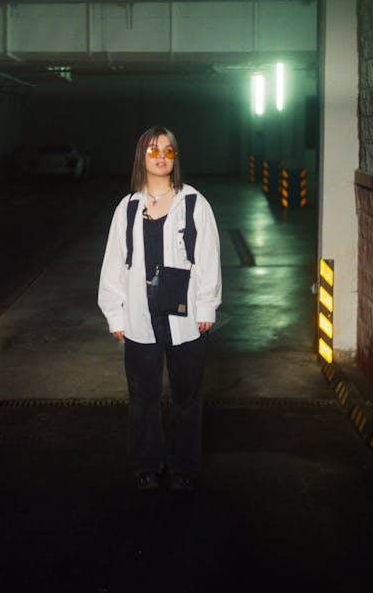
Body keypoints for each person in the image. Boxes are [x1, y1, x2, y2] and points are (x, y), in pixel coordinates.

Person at [98, 125, 222, 491]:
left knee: (187, 396)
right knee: (143, 397)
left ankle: (184, 466)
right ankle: (147, 464)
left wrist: (206, 308)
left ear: (175, 158)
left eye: (168, 150)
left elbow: (209, 259)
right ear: (142, 157)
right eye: (153, 150)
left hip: (185, 318)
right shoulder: (128, 208)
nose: (162, 156)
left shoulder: (194, 204)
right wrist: (115, 314)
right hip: (140, 318)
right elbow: (114, 264)